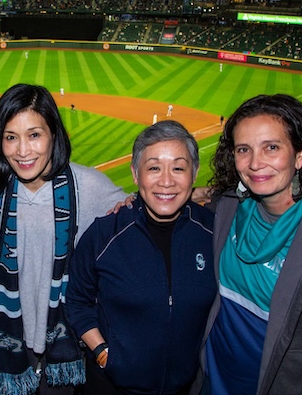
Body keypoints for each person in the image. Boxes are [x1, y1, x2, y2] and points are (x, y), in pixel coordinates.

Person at [0, 83, 128, 395]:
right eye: (11, 137)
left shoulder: (89, 186)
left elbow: (138, 210)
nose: (23, 151)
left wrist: (198, 195)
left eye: (34, 135)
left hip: (65, 341)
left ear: (54, 134)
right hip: (4, 340)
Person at [192, 94, 302, 394]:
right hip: (214, 377)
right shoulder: (227, 207)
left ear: (300, 155)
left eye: (271, 147)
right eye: (244, 150)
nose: (255, 163)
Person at [66, 121, 216, 395]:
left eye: (178, 168)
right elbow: (77, 301)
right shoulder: (104, 234)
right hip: (110, 387)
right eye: (154, 168)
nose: (166, 181)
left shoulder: (215, 232)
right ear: (136, 174)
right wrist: (102, 353)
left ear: (194, 173)